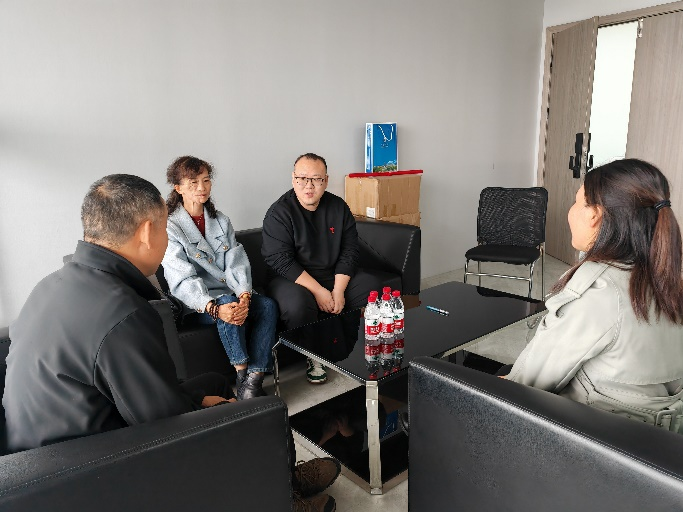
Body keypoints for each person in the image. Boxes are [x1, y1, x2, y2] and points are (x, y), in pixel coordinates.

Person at [2, 174, 340, 512]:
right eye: (165, 228)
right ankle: (280, 499)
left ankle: (284, 479)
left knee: (215, 383)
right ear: (147, 232)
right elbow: (164, 425)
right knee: (261, 411)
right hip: (87, 467)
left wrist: (197, 400)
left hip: (47, 451)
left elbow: (142, 396)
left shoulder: (51, 285)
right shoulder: (121, 313)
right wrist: (209, 411)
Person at [506, 159, 683, 432]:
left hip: (596, 441)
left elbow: (525, 385)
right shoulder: (667, 280)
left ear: (594, 215)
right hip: (658, 439)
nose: (571, 211)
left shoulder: (599, 292)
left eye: (577, 201)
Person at [162, 156, 277, 400]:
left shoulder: (221, 221)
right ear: (178, 188)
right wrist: (214, 307)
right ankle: (242, 374)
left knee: (266, 305)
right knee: (227, 303)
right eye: (193, 183)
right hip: (197, 303)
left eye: (206, 180)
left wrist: (245, 295)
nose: (201, 188)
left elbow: (236, 261)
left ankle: (253, 380)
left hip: (230, 293)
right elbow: (181, 278)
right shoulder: (170, 227)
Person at [262, 153, 382, 384]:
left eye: (316, 179)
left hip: (332, 273)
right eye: (302, 178)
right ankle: (313, 356)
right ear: (293, 179)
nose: (309, 186)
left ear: (326, 181)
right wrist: (318, 291)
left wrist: (338, 290)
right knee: (298, 304)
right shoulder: (279, 212)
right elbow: (281, 260)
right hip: (291, 278)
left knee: (371, 287)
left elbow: (350, 250)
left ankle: (356, 346)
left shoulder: (338, 207)